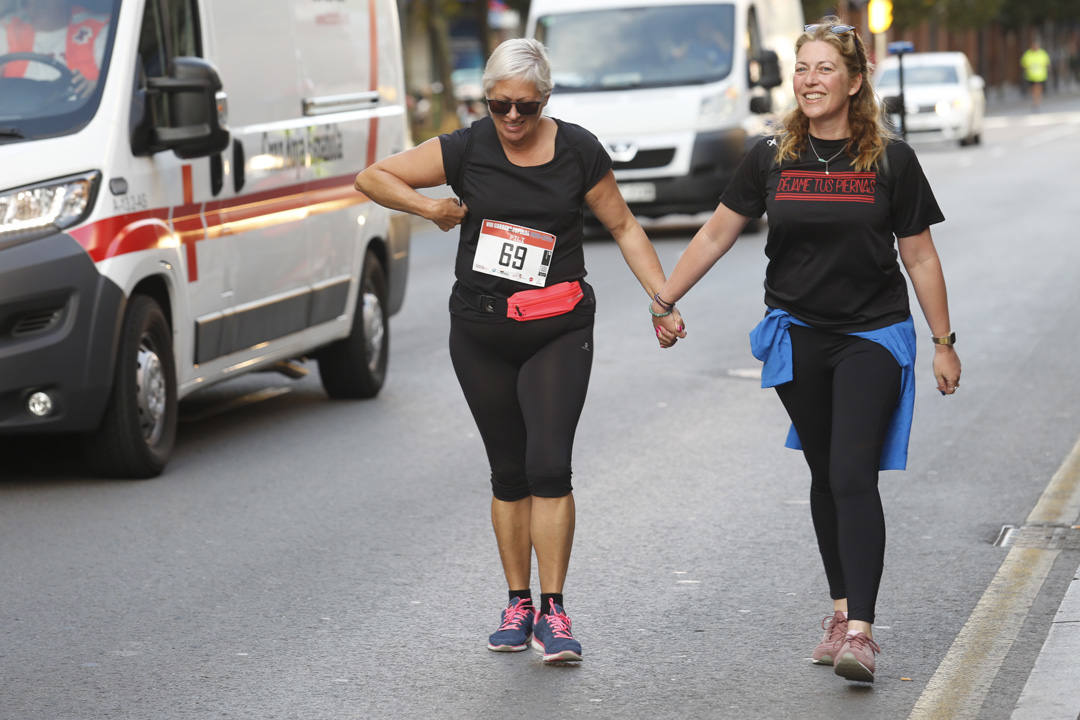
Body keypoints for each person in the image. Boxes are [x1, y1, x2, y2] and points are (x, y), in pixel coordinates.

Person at [354, 38, 684, 664]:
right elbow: (372, 177)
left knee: (549, 464)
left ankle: (554, 613)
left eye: (524, 108)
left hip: (558, 327)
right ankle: (517, 602)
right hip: (479, 332)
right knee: (508, 472)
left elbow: (623, 226)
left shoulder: (579, 150)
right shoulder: (468, 146)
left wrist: (661, 299)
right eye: (498, 104)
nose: (510, 118)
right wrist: (431, 209)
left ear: (545, 101)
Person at [651, 18, 961, 683]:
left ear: (854, 81)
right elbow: (714, 235)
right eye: (803, 68)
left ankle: (862, 633)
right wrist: (665, 296)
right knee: (825, 473)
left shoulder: (890, 159)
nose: (811, 79)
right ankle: (840, 610)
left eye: (825, 68)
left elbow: (920, 256)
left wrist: (942, 342)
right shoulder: (770, 157)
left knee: (853, 473)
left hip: (872, 336)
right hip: (796, 336)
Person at [0, 0, 109, 99]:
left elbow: (115, 86)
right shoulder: (6, 29)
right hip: (21, 116)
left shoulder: (99, 29)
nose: (40, 3)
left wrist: (97, 87)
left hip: (82, 118)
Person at [1021, 37, 1051, 110]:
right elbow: (1023, 63)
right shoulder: (1028, 54)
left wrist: (1047, 69)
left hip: (1040, 76)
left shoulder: (1042, 53)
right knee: (1033, 89)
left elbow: (1047, 63)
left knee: (1037, 88)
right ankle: (1036, 100)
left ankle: (1037, 102)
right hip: (1031, 76)